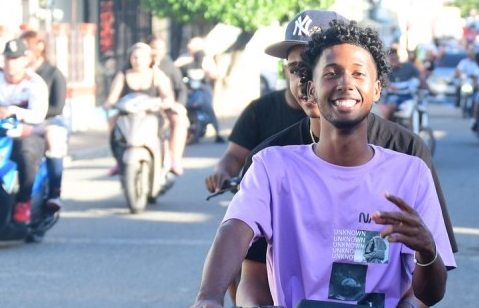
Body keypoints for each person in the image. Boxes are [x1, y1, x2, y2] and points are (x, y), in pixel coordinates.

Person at [186, 12, 470, 308]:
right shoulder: (273, 165)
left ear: (377, 88)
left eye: (358, 73)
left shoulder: (410, 169)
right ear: (309, 89)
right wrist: (209, 295)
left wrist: (427, 252)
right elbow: (236, 230)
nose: (345, 83)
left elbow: (431, 288)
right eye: (331, 73)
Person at [202, 10, 345, 193]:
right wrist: (223, 173)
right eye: (296, 69)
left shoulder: (377, 139)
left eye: (321, 69)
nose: (306, 80)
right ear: (284, 70)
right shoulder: (262, 124)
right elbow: (234, 156)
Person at [0, 39, 49, 224]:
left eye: (15, 59)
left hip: (26, 131)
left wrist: (13, 111)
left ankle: (23, 202)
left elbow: (38, 115)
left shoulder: (34, 83)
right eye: (8, 58)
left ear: (25, 60)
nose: (11, 63)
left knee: (26, 154)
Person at [103, 42, 188, 176]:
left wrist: (166, 102)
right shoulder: (123, 75)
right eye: (135, 57)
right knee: (112, 122)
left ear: (149, 59)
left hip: (152, 114)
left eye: (142, 57)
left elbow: (167, 95)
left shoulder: (156, 74)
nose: (138, 61)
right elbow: (112, 97)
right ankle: (118, 160)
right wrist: (110, 103)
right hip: (129, 115)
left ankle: (172, 160)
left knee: (170, 125)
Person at [18, 30, 68, 210]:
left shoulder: (53, 73)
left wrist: (32, 114)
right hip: (21, 120)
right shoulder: (17, 75)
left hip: (49, 120)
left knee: (54, 139)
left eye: (27, 49)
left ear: (39, 48)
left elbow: (58, 107)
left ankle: (55, 192)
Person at [177, 36, 224, 142]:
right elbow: (175, 70)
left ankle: (218, 133)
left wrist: (208, 74)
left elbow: (214, 75)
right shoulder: (184, 58)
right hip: (188, 88)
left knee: (208, 108)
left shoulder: (206, 60)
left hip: (202, 89)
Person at [379, 46, 422, 121]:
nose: (394, 62)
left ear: (398, 57)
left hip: (407, 96)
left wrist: (425, 88)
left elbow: (420, 78)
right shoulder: (386, 70)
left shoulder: (408, 66)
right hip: (392, 96)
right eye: (391, 59)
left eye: (395, 59)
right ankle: (387, 124)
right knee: (390, 106)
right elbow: (385, 82)